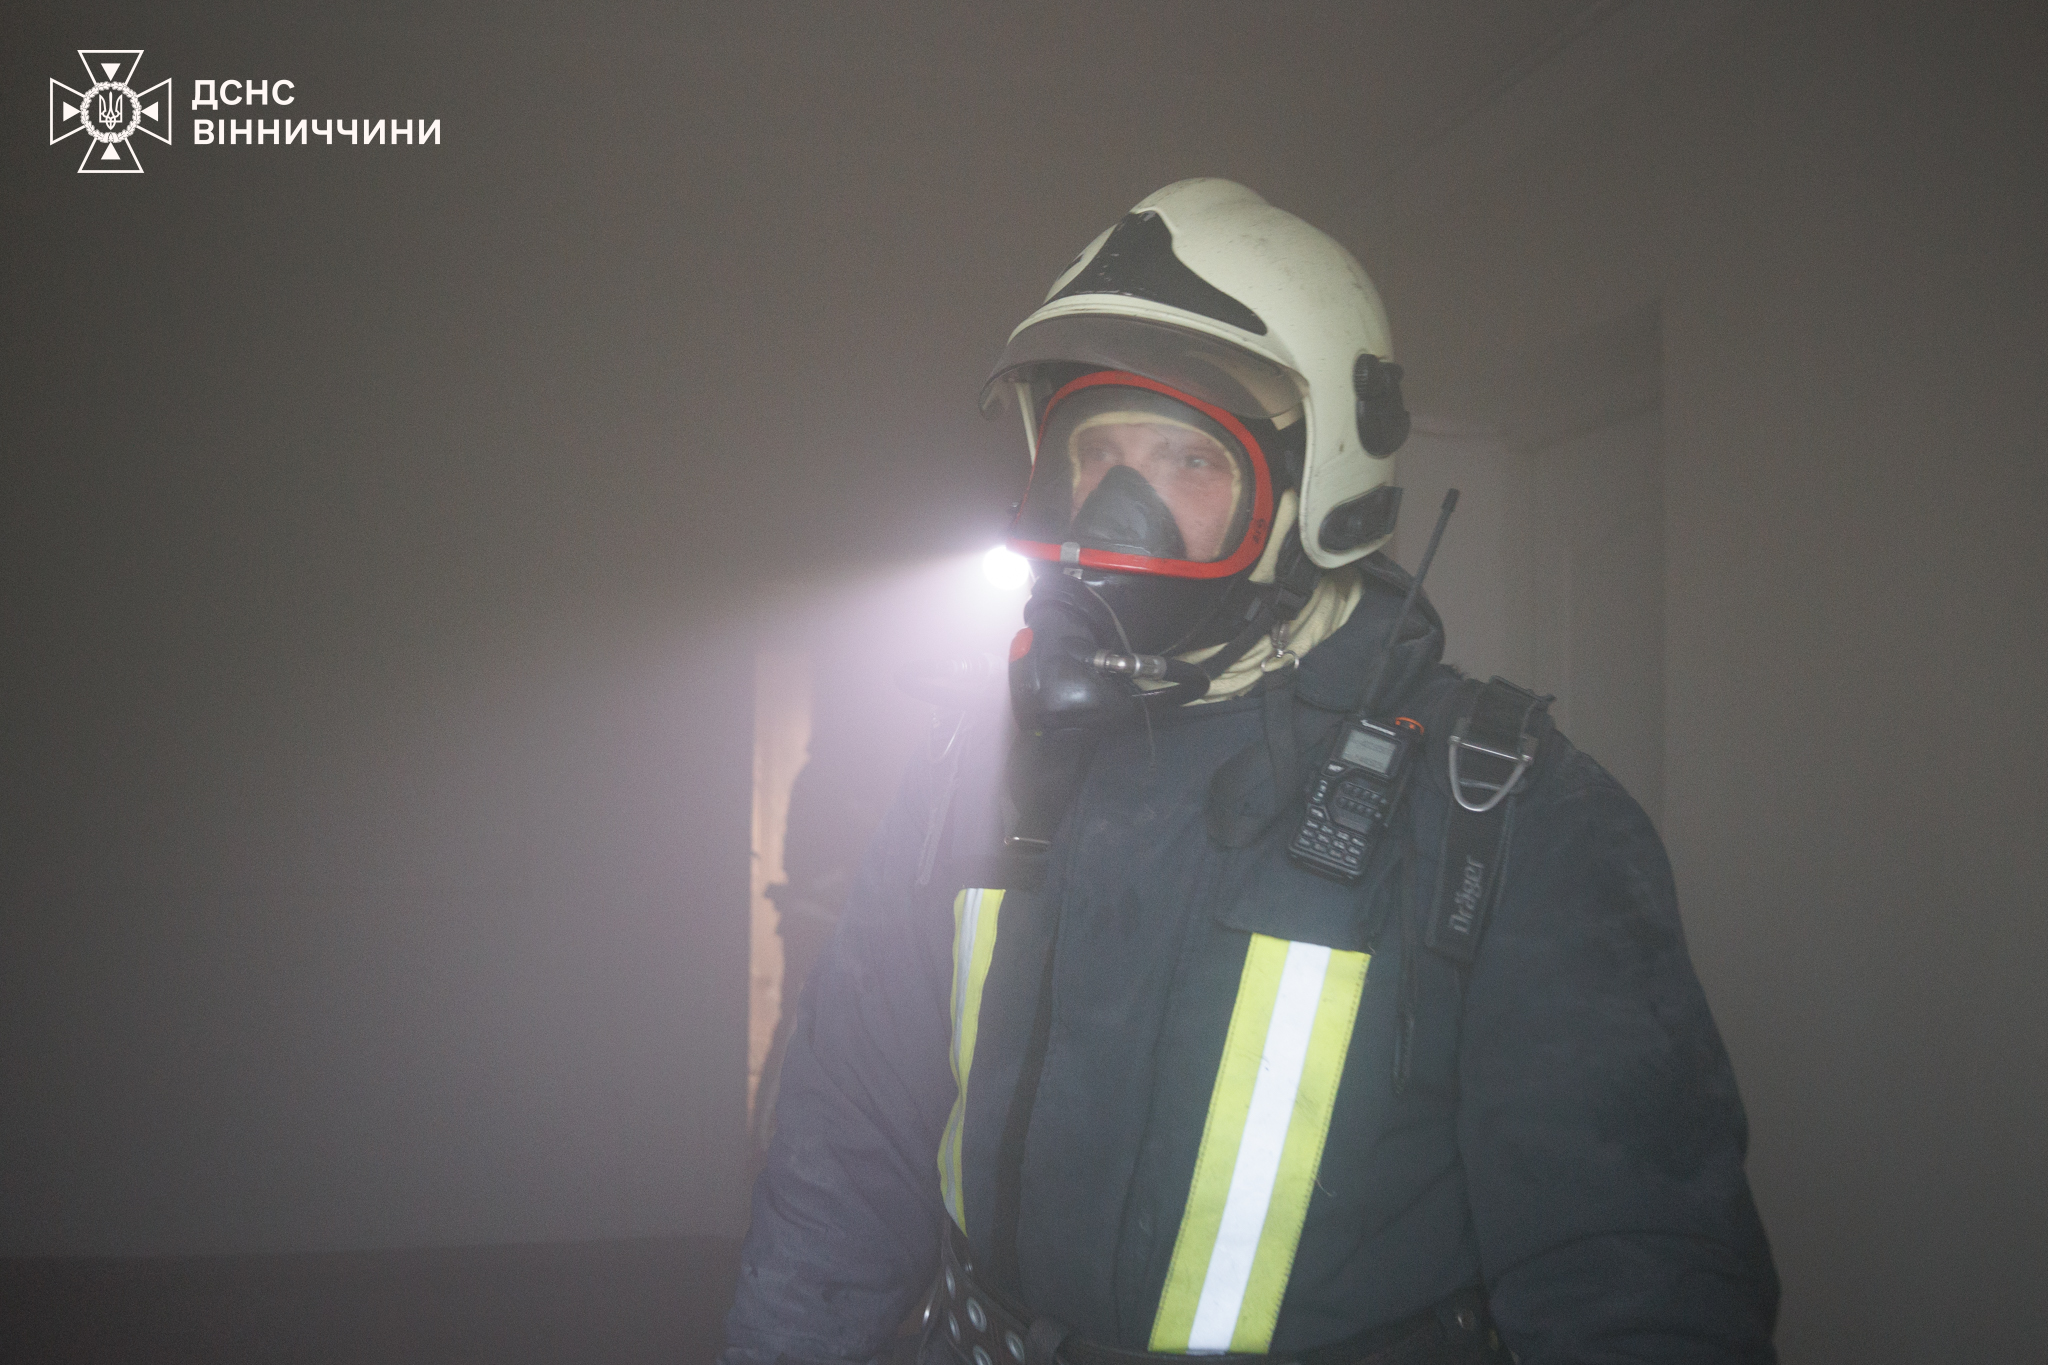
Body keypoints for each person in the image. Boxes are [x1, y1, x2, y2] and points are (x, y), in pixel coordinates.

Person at [722, 179, 1779, 1365]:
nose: (1117, 509)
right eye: (1096, 455)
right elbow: (844, 1147)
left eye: (1185, 459)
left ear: (1315, 488)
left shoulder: (1508, 820)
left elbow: (1633, 1285)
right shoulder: (979, 759)